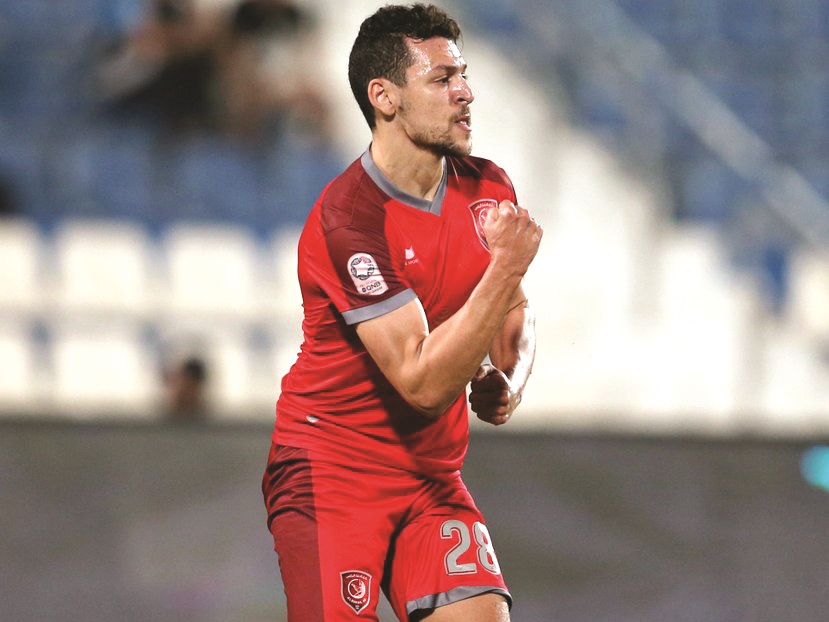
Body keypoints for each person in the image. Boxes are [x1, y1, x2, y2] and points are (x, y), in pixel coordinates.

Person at [261, 4, 542, 621]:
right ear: (384, 98)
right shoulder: (349, 223)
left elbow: (514, 313)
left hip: (430, 479)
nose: (466, 93)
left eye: (462, 75)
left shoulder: (487, 187)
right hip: (331, 474)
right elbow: (422, 384)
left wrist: (510, 378)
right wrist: (504, 268)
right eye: (442, 80)